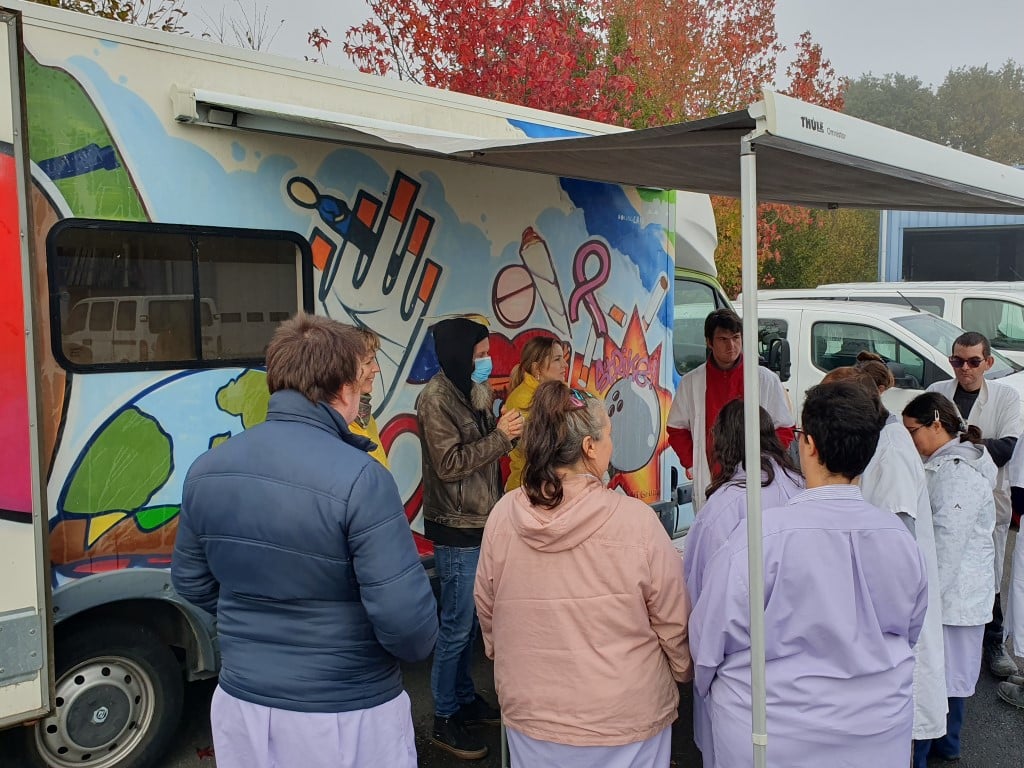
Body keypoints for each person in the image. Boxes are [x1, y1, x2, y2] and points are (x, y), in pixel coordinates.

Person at [171, 314, 438, 768]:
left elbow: (191, 582)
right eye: (362, 379)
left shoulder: (206, 469)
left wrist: (256, 619)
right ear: (343, 387)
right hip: (346, 710)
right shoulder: (362, 478)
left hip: (242, 704)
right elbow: (409, 627)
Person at [690, 381, 928, 768]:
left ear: (809, 445)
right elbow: (909, 631)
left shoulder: (759, 536)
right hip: (878, 728)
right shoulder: (899, 538)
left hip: (771, 732)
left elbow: (709, 640)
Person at [475, 381, 692, 767]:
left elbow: (488, 611)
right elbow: (674, 620)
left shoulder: (503, 516)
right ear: (589, 447)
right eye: (608, 433)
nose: (612, 442)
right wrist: (681, 670)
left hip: (533, 716)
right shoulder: (635, 522)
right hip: (624, 718)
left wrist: (506, 661)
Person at [824, 365, 948, 756]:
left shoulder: (891, 451)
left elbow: (896, 551)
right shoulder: (882, 440)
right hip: (888, 626)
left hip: (895, 625)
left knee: (904, 739)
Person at [416, 316, 523, 760]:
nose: (486, 362)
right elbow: (450, 463)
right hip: (456, 526)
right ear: (460, 355)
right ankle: (443, 717)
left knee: (471, 623)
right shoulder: (435, 399)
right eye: (479, 355)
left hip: (481, 520)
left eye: (486, 353)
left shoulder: (469, 390)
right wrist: (502, 437)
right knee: (456, 627)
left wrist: (501, 430)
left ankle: (463, 700)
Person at [682, 399, 803, 768]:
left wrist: (699, 672)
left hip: (740, 670)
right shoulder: (802, 486)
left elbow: (700, 596)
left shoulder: (724, 506)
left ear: (724, 441)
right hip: (800, 663)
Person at [903, 392, 997, 764]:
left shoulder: (958, 473)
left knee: (940, 678)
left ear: (936, 424)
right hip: (958, 595)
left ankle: (935, 749)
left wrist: (924, 600)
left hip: (954, 597)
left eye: (914, 431)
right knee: (949, 676)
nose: (912, 441)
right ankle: (944, 745)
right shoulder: (953, 463)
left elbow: (947, 546)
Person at [927, 331, 1021, 678]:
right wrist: (974, 445)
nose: (964, 369)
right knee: (942, 566)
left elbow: (1007, 446)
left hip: (986, 499)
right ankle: (940, 637)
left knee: (989, 571)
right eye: (957, 361)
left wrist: (955, 448)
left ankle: (993, 641)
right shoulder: (937, 392)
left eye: (973, 362)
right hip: (942, 497)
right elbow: (923, 438)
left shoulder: (1006, 398)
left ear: (988, 363)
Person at [666, 308, 794, 511]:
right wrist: (693, 462)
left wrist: (765, 463)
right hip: (710, 477)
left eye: (736, 338)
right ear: (709, 342)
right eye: (723, 339)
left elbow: (785, 429)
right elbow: (676, 428)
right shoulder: (691, 382)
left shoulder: (765, 379)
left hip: (757, 479)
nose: (731, 346)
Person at [503, 336, 569, 490]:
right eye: (557, 359)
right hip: (527, 490)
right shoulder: (523, 400)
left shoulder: (553, 394)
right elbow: (539, 450)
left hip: (546, 488)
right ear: (537, 368)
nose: (564, 365)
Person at [347, 327, 388, 466]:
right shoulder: (334, 425)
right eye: (369, 361)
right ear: (345, 367)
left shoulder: (366, 418)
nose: (377, 368)